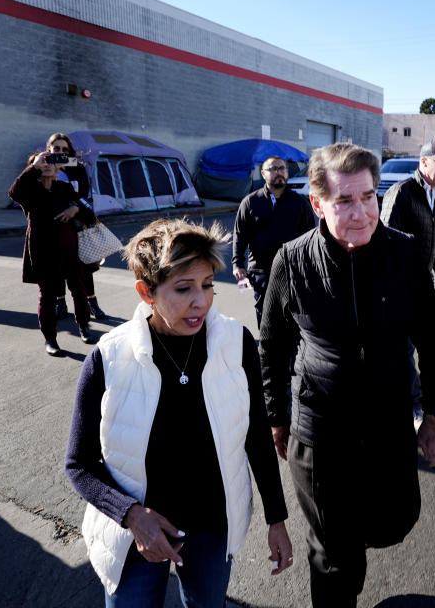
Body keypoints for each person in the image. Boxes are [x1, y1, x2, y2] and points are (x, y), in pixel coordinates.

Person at [65, 218, 293, 606]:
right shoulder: (108, 357)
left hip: (211, 525)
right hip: (134, 531)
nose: (201, 302)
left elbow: (255, 434)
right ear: (146, 291)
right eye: (183, 288)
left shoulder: (236, 344)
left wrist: (277, 519)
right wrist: (132, 517)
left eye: (207, 285)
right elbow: (79, 463)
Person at [260, 143, 435, 607]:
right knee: (333, 552)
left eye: (367, 197)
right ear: (317, 203)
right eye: (345, 201)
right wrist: (276, 416)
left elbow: (432, 338)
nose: (362, 212)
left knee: (392, 521)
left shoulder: (405, 255)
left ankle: (349, 557)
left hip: (388, 425)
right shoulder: (292, 260)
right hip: (322, 433)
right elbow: (273, 345)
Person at [9, 150, 95, 356]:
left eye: (50, 161)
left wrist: (75, 209)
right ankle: (50, 339)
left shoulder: (64, 187)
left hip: (70, 248)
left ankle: (84, 327)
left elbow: (87, 210)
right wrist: (34, 166)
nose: (46, 164)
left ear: (58, 167)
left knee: (79, 291)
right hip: (43, 250)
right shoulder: (29, 189)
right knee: (47, 296)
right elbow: (14, 192)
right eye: (41, 162)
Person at [232, 156, 316, 325]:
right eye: (273, 169)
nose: (279, 172)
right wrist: (238, 264)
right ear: (263, 174)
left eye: (282, 168)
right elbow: (240, 235)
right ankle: (266, 350)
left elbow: (310, 237)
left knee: (292, 314)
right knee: (264, 313)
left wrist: (310, 268)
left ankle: (292, 350)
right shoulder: (251, 202)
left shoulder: (299, 203)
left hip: (292, 271)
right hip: (261, 271)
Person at [44, 132, 109, 321]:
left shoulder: (77, 167)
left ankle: (92, 303)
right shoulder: (43, 167)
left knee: (85, 266)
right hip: (52, 224)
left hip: (77, 223)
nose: (61, 152)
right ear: (49, 150)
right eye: (56, 148)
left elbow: (84, 194)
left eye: (65, 149)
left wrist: (74, 208)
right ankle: (60, 303)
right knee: (56, 267)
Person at [379, 135, 435, 291]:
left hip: (424, 281)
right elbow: (384, 243)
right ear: (424, 162)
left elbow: (434, 238)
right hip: (401, 284)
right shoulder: (401, 192)